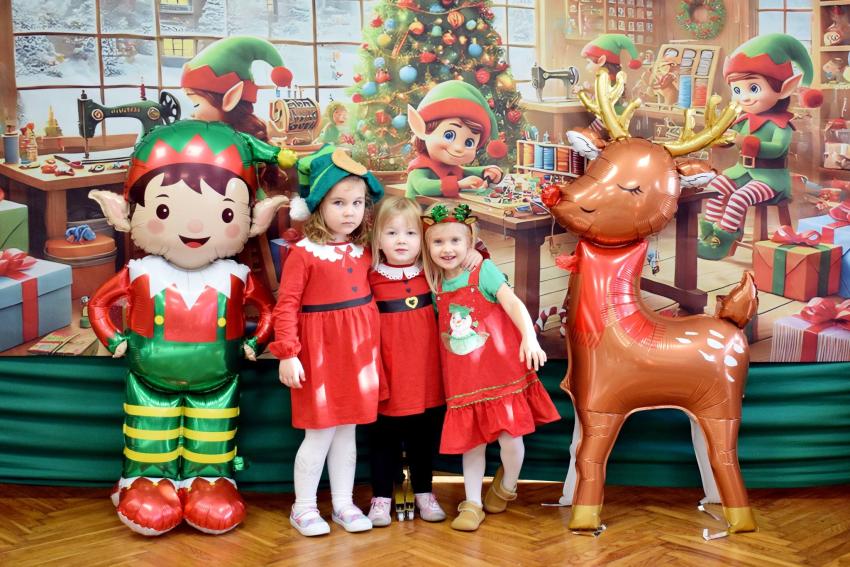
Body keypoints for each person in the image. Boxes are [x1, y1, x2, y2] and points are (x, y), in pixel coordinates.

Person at [88, 120, 290, 536]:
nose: (195, 228)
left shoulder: (236, 276)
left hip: (219, 380)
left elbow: (268, 309)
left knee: (214, 433)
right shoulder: (141, 271)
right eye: (163, 211)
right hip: (149, 378)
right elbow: (99, 304)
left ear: (255, 219)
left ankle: (210, 481)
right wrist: (114, 339)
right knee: (148, 429)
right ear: (125, 215)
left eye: (225, 213)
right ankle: (146, 479)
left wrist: (256, 342)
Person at [421, 203, 560, 531]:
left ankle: (508, 485)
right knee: (472, 443)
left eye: (456, 241)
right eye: (438, 242)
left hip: (501, 373)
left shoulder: (482, 270)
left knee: (511, 439)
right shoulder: (433, 281)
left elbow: (512, 302)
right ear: (427, 247)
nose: (447, 249)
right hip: (464, 381)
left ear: (470, 241)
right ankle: (472, 502)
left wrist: (529, 337)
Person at [270, 147, 385, 537]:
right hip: (319, 355)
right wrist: (288, 354)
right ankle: (303, 507)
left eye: (357, 203)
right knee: (319, 433)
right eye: (339, 202)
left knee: (347, 432)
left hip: (357, 356)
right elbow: (286, 305)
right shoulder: (304, 255)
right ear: (318, 205)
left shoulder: (364, 250)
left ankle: (343, 503)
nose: (350, 212)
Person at [365, 196, 481, 527]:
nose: (401, 241)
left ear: (423, 239)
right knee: (383, 437)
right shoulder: (369, 275)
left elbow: (463, 265)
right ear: (377, 239)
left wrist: (476, 253)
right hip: (386, 372)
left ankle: (424, 492)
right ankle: (381, 497)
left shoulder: (432, 273)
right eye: (392, 233)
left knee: (421, 436)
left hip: (425, 374)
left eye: (410, 233)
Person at [697, 33, 823, 260]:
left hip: (771, 179)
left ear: (784, 88)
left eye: (753, 88)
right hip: (742, 173)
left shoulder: (782, 124)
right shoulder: (744, 120)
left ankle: (723, 238)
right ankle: (709, 232)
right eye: (737, 91)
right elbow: (732, 140)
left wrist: (744, 141)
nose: (745, 98)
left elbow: (777, 148)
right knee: (716, 186)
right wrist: (723, 140)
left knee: (739, 198)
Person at [181, 35, 294, 191]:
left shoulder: (244, 142)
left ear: (230, 99)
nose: (192, 114)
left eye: (196, 104)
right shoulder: (205, 137)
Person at [405, 81, 506, 198]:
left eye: (469, 143)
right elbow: (423, 186)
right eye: (449, 136)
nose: (459, 148)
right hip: (418, 209)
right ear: (422, 130)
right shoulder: (420, 168)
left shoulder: (451, 167)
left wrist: (486, 172)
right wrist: (458, 184)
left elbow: (463, 171)